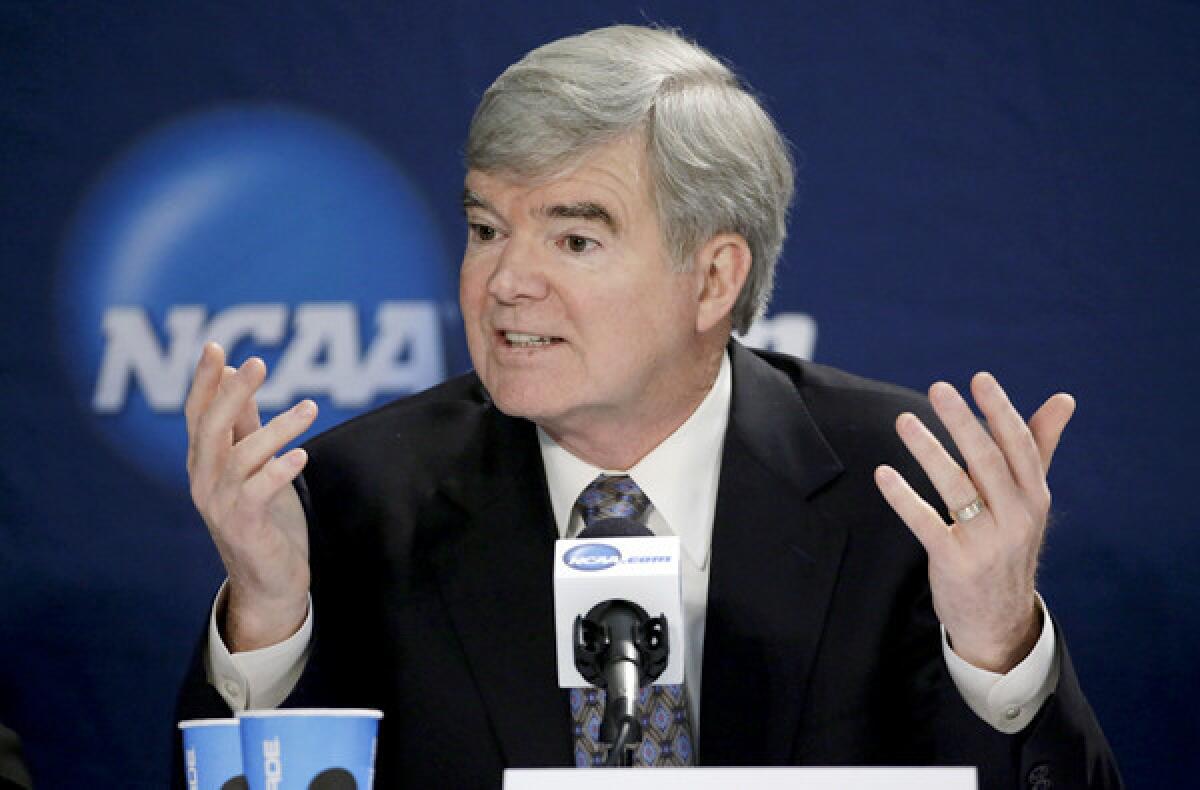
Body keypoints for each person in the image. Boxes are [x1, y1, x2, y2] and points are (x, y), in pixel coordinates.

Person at [176, 25, 1121, 788]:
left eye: (575, 240)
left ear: (713, 279)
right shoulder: (355, 497)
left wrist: (999, 644)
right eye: (485, 229)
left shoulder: (903, 493)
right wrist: (269, 618)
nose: (506, 281)